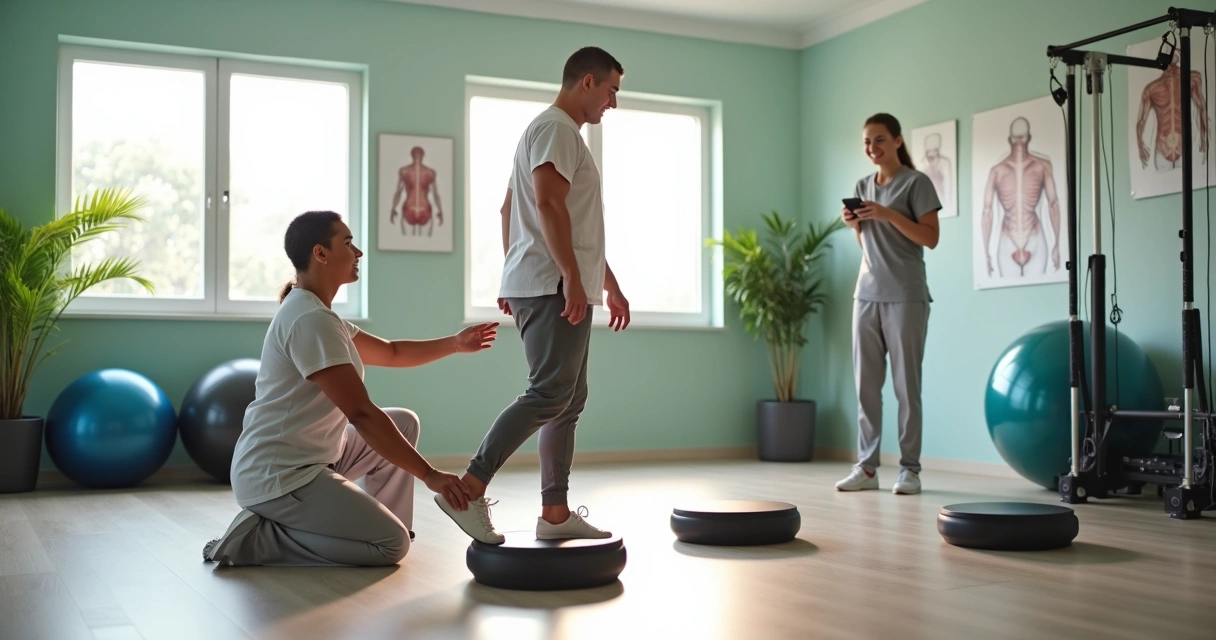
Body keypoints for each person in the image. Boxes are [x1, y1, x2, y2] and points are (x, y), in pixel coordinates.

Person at [202, 210, 494, 567]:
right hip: (279, 475)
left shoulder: (322, 316)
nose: (358, 253)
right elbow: (361, 413)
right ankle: (262, 538)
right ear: (320, 254)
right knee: (390, 546)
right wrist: (431, 475)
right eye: (348, 243)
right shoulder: (310, 320)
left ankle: (387, 524)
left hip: (316, 456)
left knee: (403, 422)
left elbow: (392, 352)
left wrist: (455, 344)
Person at [433, 46, 632, 545]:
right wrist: (567, 275)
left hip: (547, 281)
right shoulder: (557, 130)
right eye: (611, 90)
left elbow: (511, 210)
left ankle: (556, 515)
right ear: (587, 82)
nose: (613, 103)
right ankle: (470, 488)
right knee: (549, 393)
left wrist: (605, 283)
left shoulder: (553, 133)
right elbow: (545, 203)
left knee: (567, 399)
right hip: (553, 286)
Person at [835, 113, 941, 496]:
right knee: (866, 386)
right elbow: (872, 247)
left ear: (897, 141)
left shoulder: (917, 183)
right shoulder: (863, 185)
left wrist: (886, 214)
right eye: (866, 142)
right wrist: (856, 226)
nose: (872, 148)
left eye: (879, 140)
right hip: (866, 294)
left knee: (906, 387)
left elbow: (930, 238)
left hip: (906, 295)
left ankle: (909, 469)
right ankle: (866, 467)